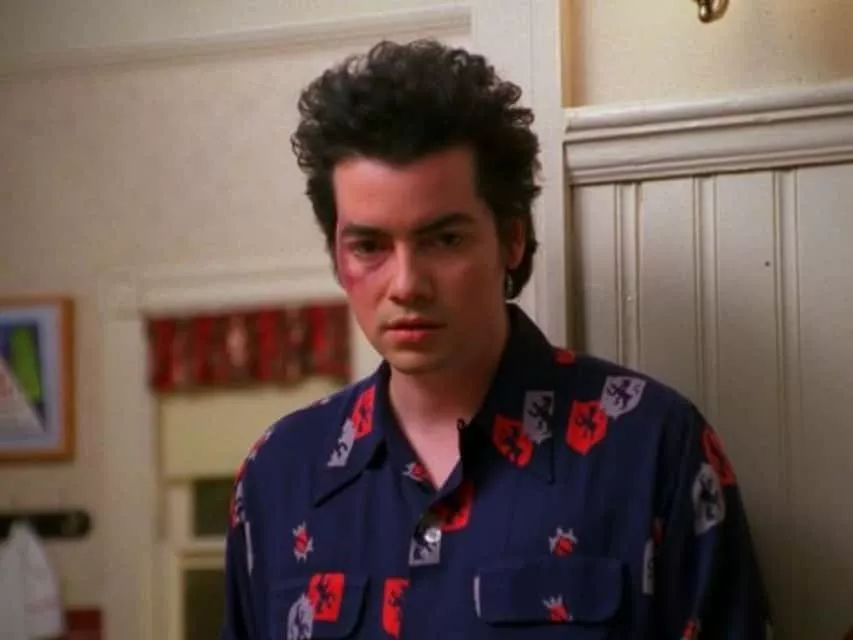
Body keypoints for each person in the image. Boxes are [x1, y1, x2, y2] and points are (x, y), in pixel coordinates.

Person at [220, 39, 772, 639]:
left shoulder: (651, 445)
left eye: (445, 240)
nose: (406, 285)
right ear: (337, 254)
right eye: (370, 246)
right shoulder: (280, 475)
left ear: (510, 238)